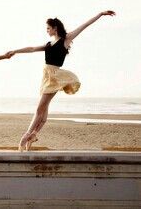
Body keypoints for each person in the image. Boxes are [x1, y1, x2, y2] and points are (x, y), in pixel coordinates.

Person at [9, 11, 116, 152]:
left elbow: (84, 25)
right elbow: (32, 48)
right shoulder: (48, 43)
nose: (47, 31)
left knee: (39, 109)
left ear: (55, 28)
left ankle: (25, 137)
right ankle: (33, 135)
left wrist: (100, 14)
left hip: (55, 76)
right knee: (44, 111)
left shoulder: (66, 39)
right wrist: (15, 51)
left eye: (48, 28)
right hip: (46, 76)